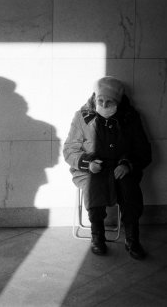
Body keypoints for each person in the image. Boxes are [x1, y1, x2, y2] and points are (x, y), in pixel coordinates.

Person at [63, 76, 152, 260]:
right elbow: (69, 150)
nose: (103, 104)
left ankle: (132, 239)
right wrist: (88, 164)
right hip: (91, 168)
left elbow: (143, 150)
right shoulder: (82, 117)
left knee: (129, 190)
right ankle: (97, 237)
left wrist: (128, 165)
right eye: (100, 100)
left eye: (109, 101)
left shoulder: (130, 118)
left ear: (118, 102)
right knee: (93, 187)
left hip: (120, 167)